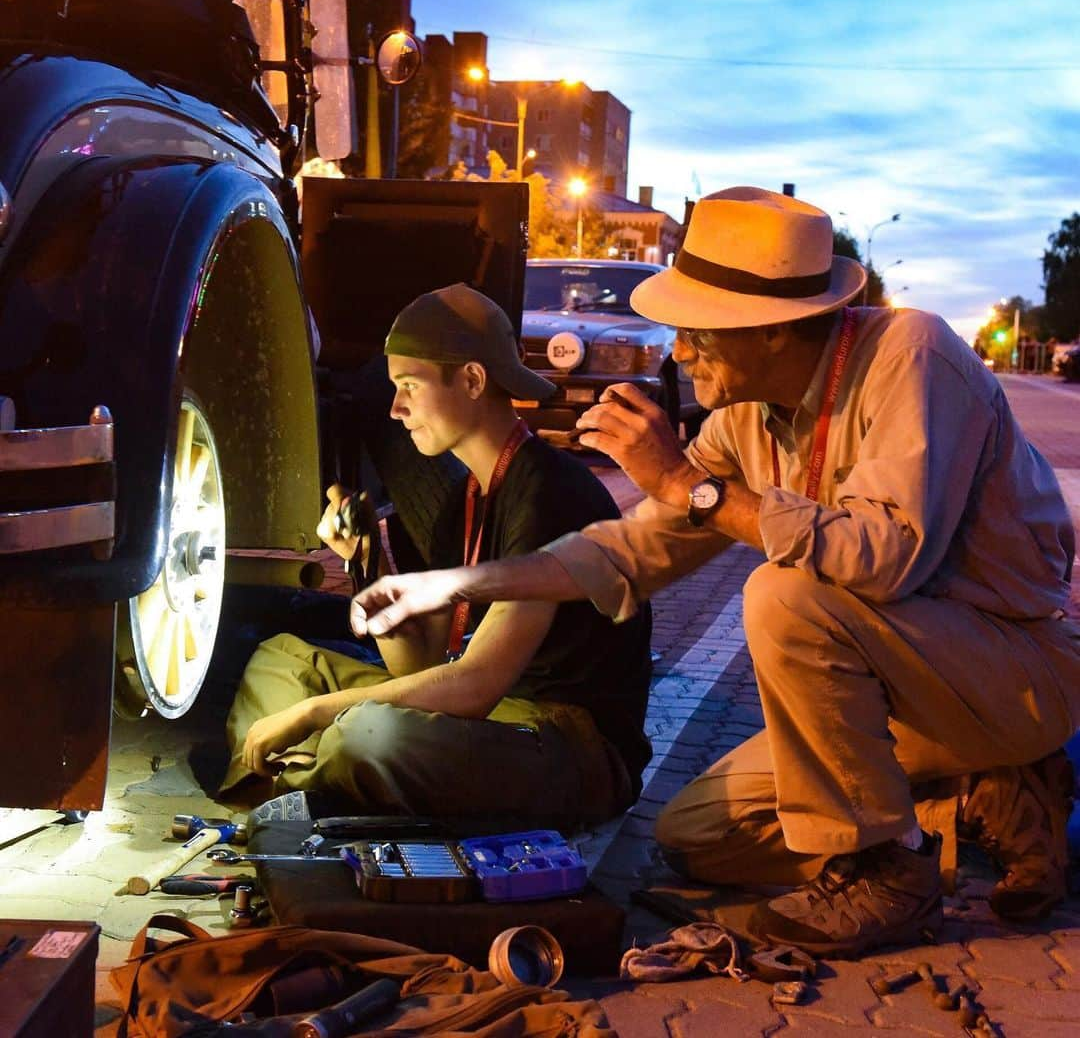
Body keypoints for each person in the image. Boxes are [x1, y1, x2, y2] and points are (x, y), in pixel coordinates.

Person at [351, 188, 1080, 959]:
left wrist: (691, 488)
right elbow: (632, 553)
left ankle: (883, 872)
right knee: (697, 836)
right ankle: (966, 800)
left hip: (1008, 673)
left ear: (770, 332)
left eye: (699, 332)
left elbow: (886, 557)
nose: (681, 351)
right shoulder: (746, 416)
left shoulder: (914, 357)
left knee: (785, 597)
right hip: (896, 705)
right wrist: (456, 586)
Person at [219, 282, 653, 828]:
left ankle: (298, 784)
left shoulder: (550, 493)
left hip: (567, 744)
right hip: (483, 719)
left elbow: (473, 685)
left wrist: (314, 713)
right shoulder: (464, 496)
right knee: (282, 659)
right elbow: (420, 667)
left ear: (472, 379)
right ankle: (313, 786)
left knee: (367, 732)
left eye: (409, 385)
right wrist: (366, 565)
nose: (396, 409)